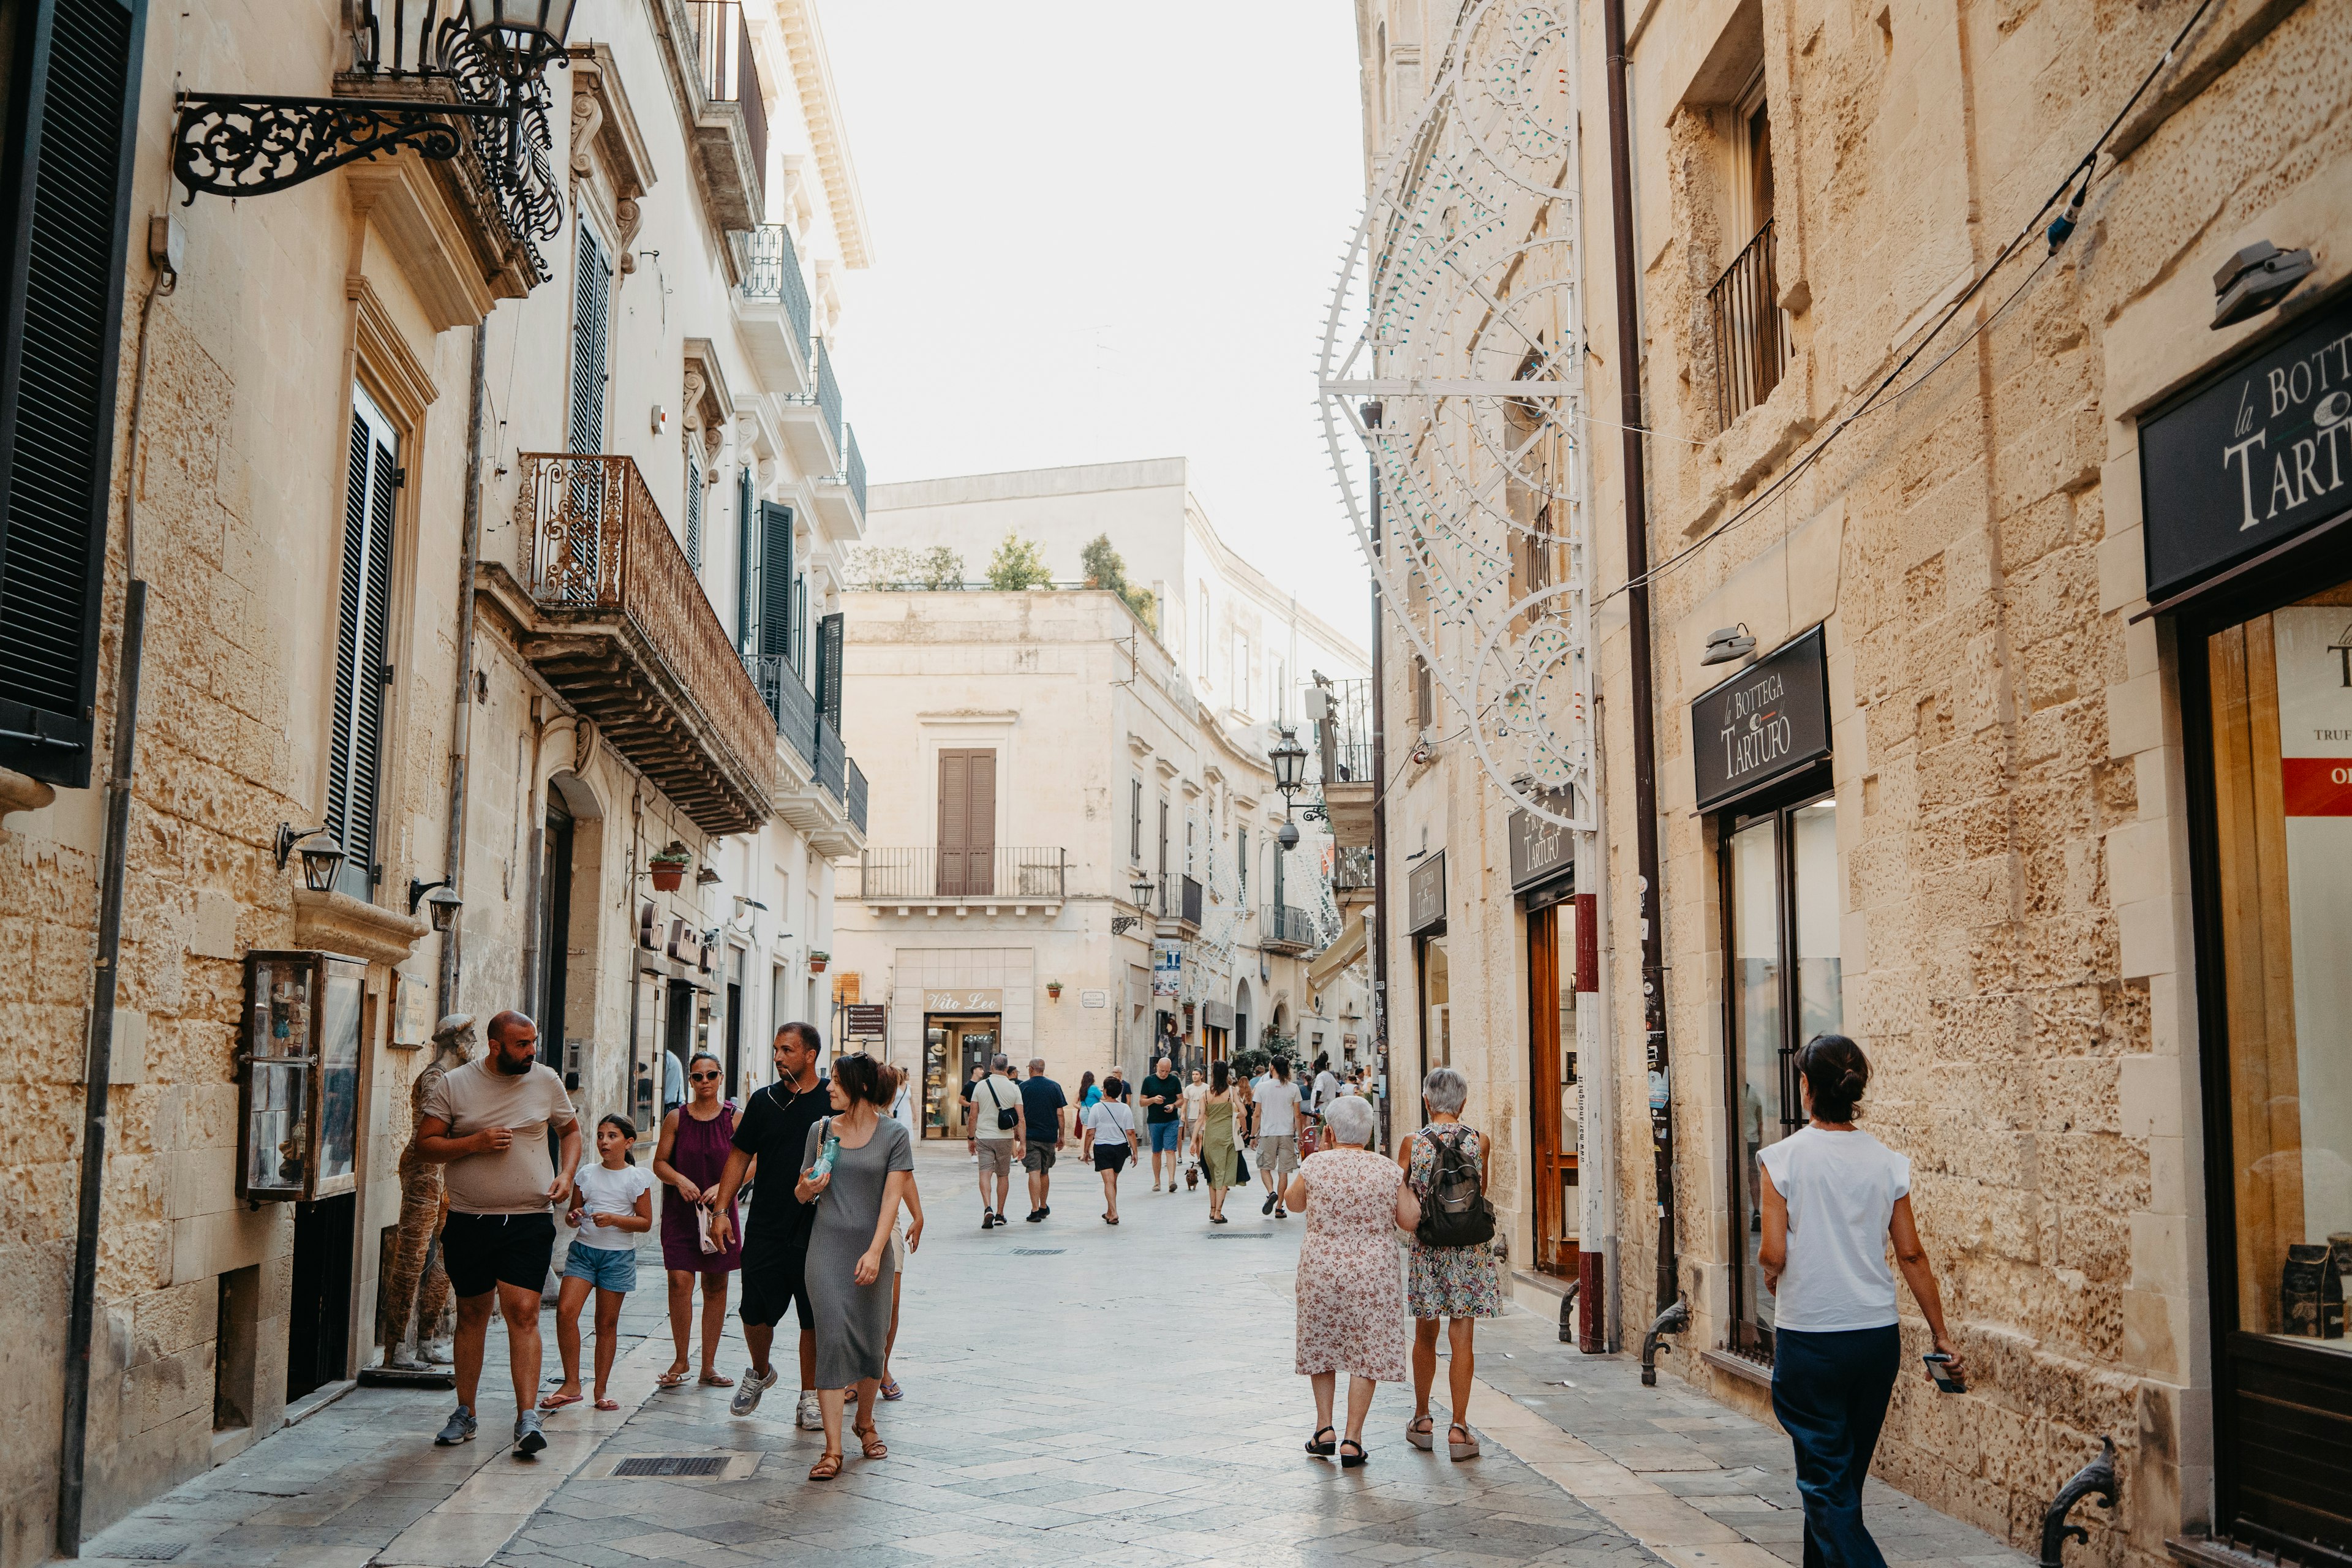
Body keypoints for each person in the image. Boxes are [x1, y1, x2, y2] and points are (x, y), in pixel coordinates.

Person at [1759, 1035, 1964, 1568]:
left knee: (1826, 1485)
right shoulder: (1887, 1163)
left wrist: (1769, 1272)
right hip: (1875, 1339)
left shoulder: (1782, 1159)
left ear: (1805, 1088)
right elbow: (1912, 1254)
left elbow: (1774, 1251)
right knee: (1839, 1483)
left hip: (1811, 1338)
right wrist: (1941, 1334)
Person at [414, 1010, 580, 1456]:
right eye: (522, 1045)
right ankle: (465, 1412)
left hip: (528, 1219)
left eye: (533, 1042)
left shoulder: (545, 1080)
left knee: (524, 1311)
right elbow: (425, 1146)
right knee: (471, 1314)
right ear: (495, 1045)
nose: (532, 1052)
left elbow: (571, 1131)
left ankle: (527, 1417)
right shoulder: (454, 1085)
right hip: (470, 1219)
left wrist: (566, 1175)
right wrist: (475, 1143)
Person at [795, 1051, 918, 1479]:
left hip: (873, 1249)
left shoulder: (895, 1135)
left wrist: (874, 1250)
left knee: (872, 1340)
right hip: (826, 1248)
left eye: (836, 1081)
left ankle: (864, 1423)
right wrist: (808, 1187)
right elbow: (800, 1193)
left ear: (861, 1086)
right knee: (830, 1337)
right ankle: (832, 1451)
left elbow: (891, 1199)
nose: (828, 1088)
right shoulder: (821, 1130)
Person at [707, 1022, 831, 1431]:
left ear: (810, 1055)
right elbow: (739, 1158)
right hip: (765, 1225)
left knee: (813, 1316)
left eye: (787, 1050)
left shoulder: (833, 1101)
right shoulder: (763, 1102)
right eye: (776, 1049)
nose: (778, 1057)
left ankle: (809, 1395)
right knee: (754, 1312)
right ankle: (760, 1370)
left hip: (818, 1226)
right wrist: (721, 1211)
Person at [1286, 1093, 1418, 1469]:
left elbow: (1294, 1203)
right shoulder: (1387, 1169)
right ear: (1370, 1133)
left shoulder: (1315, 1166)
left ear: (1328, 1131)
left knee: (1322, 1344)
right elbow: (1408, 1221)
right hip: (1373, 1273)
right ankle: (1352, 1439)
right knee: (1366, 1351)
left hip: (1321, 1269)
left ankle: (1323, 1428)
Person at [1399, 1067, 1500, 1459]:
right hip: (1469, 1250)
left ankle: (1423, 1418)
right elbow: (1482, 1191)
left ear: (1427, 1101)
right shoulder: (1480, 1141)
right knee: (1463, 1337)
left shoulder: (1413, 1143)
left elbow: (1403, 1197)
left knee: (1426, 1334)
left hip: (1429, 1248)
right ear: (1463, 1103)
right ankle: (1459, 1428)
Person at [543, 1115, 654, 1413]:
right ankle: (571, 1384)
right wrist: (573, 1217)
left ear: (628, 1142)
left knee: (606, 1324)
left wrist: (614, 1219)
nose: (604, 1142)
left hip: (617, 1258)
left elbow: (645, 1223)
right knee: (566, 1313)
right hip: (583, 1253)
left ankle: (601, 1389)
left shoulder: (637, 1178)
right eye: (601, 1135)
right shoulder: (587, 1174)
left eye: (613, 1136)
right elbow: (572, 1213)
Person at [651, 1051, 742, 1390]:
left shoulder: (735, 1118)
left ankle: (709, 1365)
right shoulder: (677, 1118)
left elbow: (753, 1161)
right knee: (679, 1281)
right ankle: (680, 1357)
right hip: (681, 1212)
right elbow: (659, 1163)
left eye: (711, 1075)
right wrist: (680, 1180)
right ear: (689, 1080)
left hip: (719, 1214)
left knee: (716, 1285)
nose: (705, 1081)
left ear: (721, 1078)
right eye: (697, 1076)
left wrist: (724, 1187)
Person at [876, 1066, 925, 1401]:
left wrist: (918, 1215)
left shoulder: (894, 1131)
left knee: (890, 1301)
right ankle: (857, 1371)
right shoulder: (838, 1126)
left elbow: (904, 1175)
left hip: (888, 1220)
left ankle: (881, 1366)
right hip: (847, 1221)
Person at [968, 1054, 1025, 1229]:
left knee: (984, 1173)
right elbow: (1021, 1119)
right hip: (1005, 1138)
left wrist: (971, 1138)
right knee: (1003, 1175)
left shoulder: (980, 1086)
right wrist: (1022, 1143)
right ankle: (1000, 1214)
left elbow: (973, 1116)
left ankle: (987, 1208)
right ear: (1007, 1069)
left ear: (991, 1067)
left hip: (984, 1136)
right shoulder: (1014, 1088)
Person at [1080, 1073, 1140, 1223]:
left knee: (1108, 1182)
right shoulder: (1125, 1108)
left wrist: (1086, 1150)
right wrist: (1135, 1152)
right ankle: (1109, 1212)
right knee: (1113, 1181)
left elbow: (1090, 1132)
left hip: (1103, 1147)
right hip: (1120, 1148)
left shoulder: (1097, 1108)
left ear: (1106, 1091)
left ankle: (1113, 1213)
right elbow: (1131, 1132)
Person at [1199, 1060, 1250, 1224]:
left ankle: (1212, 1210)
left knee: (1212, 1175)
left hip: (1210, 1137)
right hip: (1227, 1137)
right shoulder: (1231, 1091)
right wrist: (1233, 1118)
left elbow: (1201, 1118)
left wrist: (1194, 1141)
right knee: (1223, 1175)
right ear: (1227, 1074)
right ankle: (1218, 1213)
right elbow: (1243, 1112)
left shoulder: (1205, 1094)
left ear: (1212, 1074)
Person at [1253, 1058, 1305, 1218]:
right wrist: (1301, 1136)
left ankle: (1271, 1193)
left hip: (1268, 1133)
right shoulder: (1294, 1088)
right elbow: (1298, 1114)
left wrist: (1254, 1135)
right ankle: (1280, 1207)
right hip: (1287, 1133)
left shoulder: (1261, 1087)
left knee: (1264, 1167)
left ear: (1272, 1067)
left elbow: (1256, 1114)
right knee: (1284, 1172)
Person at [1017, 1058, 1068, 1223]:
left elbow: (1020, 1114)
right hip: (1048, 1136)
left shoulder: (1023, 1087)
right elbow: (1060, 1113)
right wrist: (1061, 1135)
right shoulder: (1054, 1086)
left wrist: (1017, 1134)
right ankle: (1043, 1206)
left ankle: (1034, 1210)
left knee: (1033, 1170)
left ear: (1031, 1069)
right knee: (1045, 1171)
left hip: (1030, 1136)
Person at [1139, 1056, 1184, 1193]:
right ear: (1157, 1067)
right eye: (1161, 1070)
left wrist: (1173, 1106)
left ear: (1170, 1070)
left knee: (1170, 1150)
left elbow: (1181, 1100)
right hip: (1154, 1121)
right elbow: (1141, 1102)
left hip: (1171, 1120)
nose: (1164, 1074)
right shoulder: (1149, 1081)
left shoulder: (1174, 1080)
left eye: (1166, 1071)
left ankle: (1171, 1180)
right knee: (1157, 1152)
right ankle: (1157, 1182)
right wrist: (1153, 1100)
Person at [1182, 1069, 1208, 1183]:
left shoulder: (1207, 1088)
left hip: (1203, 1116)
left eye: (1197, 1074)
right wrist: (1183, 1114)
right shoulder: (1189, 1088)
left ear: (1201, 1076)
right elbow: (1185, 1102)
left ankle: (1203, 1158)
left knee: (1202, 1137)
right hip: (1192, 1116)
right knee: (1196, 1138)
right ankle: (1199, 1158)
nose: (1194, 1076)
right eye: (1193, 1074)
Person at [1310, 1052, 1340, 1121]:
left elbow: (1319, 1089)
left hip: (1321, 1108)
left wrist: (1317, 1101)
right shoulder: (1330, 1076)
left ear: (1317, 1067)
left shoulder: (1321, 1076)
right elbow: (1339, 1090)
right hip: (1329, 1106)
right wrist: (1332, 1099)